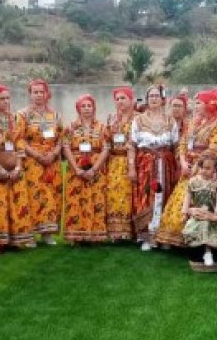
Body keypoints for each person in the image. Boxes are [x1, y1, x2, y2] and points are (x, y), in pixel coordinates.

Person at [156, 89, 217, 249]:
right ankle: (172, 238)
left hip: (205, 169)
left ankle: (196, 240)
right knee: (180, 199)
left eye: (198, 103)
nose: (195, 106)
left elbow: (214, 150)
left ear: (209, 105)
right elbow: (182, 143)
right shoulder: (193, 122)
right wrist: (182, 162)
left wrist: (197, 167)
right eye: (195, 103)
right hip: (187, 167)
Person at [0, 85, 35, 249]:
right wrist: (0, 168)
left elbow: (19, 142)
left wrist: (18, 167)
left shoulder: (14, 118)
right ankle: (0, 241)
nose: (6, 102)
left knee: (17, 202)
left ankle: (17, 239)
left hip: (14, 163)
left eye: (8, 98)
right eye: (1, 99)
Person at [130, 85, 179, 251]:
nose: (154, 99)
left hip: (165, 163)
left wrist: (178, 166)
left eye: (157, 96)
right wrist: (131, 167)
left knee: (165, 194)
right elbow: (132, 145)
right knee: (146, 195)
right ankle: (146, 236)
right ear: (147, 99)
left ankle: (162, 235)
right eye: (151, 96)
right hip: (145, 163)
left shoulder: (170, 120)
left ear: (162, 99)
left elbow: (176, 145)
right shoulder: (138, 120)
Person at [17, 80, 62, 245]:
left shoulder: (55, 115)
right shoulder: (22, 115)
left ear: (46, 94)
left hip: (52, 161)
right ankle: (32, 233)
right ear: (30, 94)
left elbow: (60, 139)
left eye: (41, 92)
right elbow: (19, 139)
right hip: (32, 161)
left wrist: (53, 154)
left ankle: (48, 234)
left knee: (51, 195)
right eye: (35, 92)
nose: (38, 95)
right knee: (34, 196)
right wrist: (36, 155)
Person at [62, 94, 110, 244]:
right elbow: (66, 147)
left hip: (96, 168)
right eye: (83, 106)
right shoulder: (70, 127)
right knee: (76, 200)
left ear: (94, 108)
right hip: (75, 169)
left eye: (89, 106)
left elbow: (106, 148)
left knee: (96, 199)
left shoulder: (102, 127)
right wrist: (76, 169)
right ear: (78, 109)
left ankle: (95, 235)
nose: (87, 109)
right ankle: (76, 235)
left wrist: (94, 169)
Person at [182, 151, 217, 268]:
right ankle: (204, 253)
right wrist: (184, 212)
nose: (204, 170)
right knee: (198, 226)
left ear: (214, 169)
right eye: (202, 167)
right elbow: (187, 198)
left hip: (211, 213)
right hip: (197, 211)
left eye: (208, 168)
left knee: (209, 225)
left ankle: (210, 253)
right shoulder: (193, 181)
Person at [106, 87, 136, 241]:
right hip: (112, 162)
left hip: (130, 160)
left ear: (131, 99)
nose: (120, 101)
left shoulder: (138, 118)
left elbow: (135, 142)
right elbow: (106, 140)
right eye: (117, 99)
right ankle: (115, 232)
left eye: (123, 98)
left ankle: (129, 231)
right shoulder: (111, 118)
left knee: (128, 194)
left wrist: (132, 166)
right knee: (112, 194)